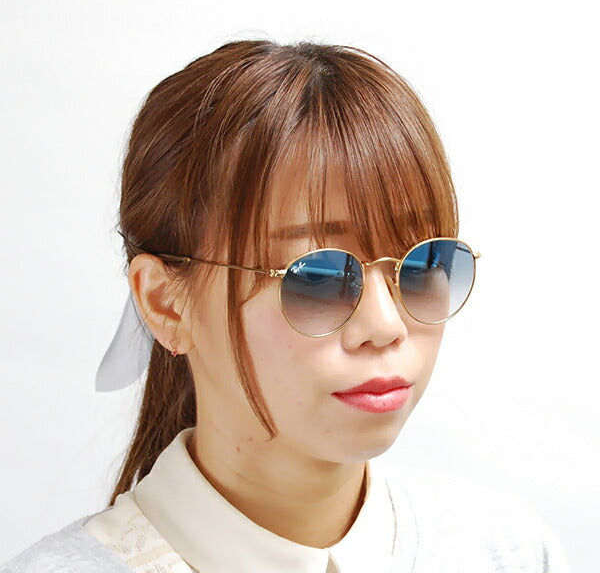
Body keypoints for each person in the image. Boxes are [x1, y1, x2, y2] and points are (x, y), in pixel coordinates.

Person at [1, 39, 571, 572]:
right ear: (166, 303)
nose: (385, 325)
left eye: (423, 266)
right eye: (317, 277)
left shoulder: (508, 552)